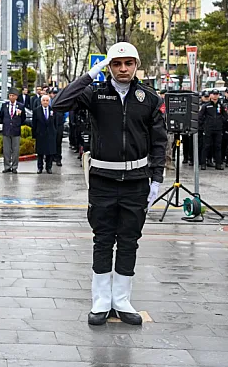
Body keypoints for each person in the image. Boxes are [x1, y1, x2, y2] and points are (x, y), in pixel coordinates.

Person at [52, 42, 166, 326]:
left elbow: (159, 142)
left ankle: (123, 300)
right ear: (109, 67)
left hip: (137, 181)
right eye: (117, 64)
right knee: (103, 240)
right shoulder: (95, 93)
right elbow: (58, 104)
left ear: (137, 65)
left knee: (129, 240)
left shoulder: (148, 98)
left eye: (128, 63)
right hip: (103, 179)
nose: (123, 69)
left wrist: (157, 179)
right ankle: (101, 302)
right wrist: (91, 75)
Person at [0, 89, 26, 174]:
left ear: (16, 97)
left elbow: (23, 118)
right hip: (6, 130)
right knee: (6, 150)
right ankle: (7, 166)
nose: (11, 97)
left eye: (13, 95)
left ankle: (14, 167)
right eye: (10, 95)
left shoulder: (20, 106)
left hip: (16, 130)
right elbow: (1, 116)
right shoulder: (4, 105)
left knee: (15, 150)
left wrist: (17, 124)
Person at [32, 95, 57, 174]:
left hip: (50, 134)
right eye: (44, 100)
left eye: (47, 100)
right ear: (41, 101)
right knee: (40, 153)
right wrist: (34, 134)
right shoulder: (36, 111)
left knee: (50, 152)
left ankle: (49, 167)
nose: (45, 102)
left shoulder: (52, 110)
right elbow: (34, 124)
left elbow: (55, 122)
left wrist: (55, 132)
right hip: (40, 134)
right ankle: (40, 167)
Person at [201, 90, 224, 170]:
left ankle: (218, 163)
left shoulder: (221, 105)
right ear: (210, 95)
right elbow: (200, 117)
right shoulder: (206, 106)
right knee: (206, 146)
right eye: (213, 94)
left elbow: (225, 116)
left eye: (216, 94)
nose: (215, 96)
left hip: (218, 129)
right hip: (208, 129)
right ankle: (203, 163)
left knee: (218, 146)